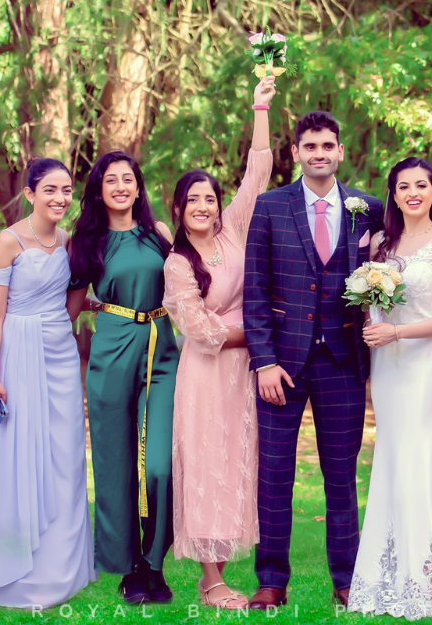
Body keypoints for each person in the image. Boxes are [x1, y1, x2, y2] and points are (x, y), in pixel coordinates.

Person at [242, 110, 384, 610]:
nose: (319, 154)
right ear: (297, 152)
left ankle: (347, 580)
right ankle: (271, 581)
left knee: (341, 478)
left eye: (328, 146)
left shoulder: (369, 208)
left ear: (340, 151)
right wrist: (263, 361)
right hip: (281, 363)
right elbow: (254, 290)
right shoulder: (269, 207)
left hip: (343, 362)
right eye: (310, 147)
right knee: (274, 475)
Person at [163, 76, 276, 609]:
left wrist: (260, 106)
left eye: (209, 197)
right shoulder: (177, 262)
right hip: (206, 374)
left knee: (237, 462)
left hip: (243, 375)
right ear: (180, 209)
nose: (204, 206)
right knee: (207, 462)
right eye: (194, 201)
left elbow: (259, 170)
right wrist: (257, 331)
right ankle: (210, 581)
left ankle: (224, 573)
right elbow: (200, 331)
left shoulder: (235, 228)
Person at [347, 157, 432, 620]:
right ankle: (390, 570)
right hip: (388, 364)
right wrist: (371, 318)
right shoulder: (380, 242)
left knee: (425, 450)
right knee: (394, 455)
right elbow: (373, 304)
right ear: (394, 194)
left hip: (425, 360)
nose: (413, 193)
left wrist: (395, 334)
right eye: (404, 186)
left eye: (422, 185)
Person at [0, 159, 96, 608]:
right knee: (21, 450)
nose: (60, 198)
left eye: (66, 190)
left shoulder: (67, 241)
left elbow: (71, 302)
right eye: (50, 190)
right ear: (30, 194)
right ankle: (15, 571)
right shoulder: (7, 241)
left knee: (64, 453)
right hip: (17, 349)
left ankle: (64, 566)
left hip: (60, 351)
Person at [69, 149, 179, 603]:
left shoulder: (159, 233)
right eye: (110, 180)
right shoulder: (87, 242)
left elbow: (188, 286)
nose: (119, 186)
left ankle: (155, 562)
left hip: (161, 348)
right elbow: (70, 309)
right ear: (98, 189)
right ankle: (128, 566)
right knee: (115, 465)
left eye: (127, 179)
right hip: (111, 348)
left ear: (138, 185)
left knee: (158, 463)